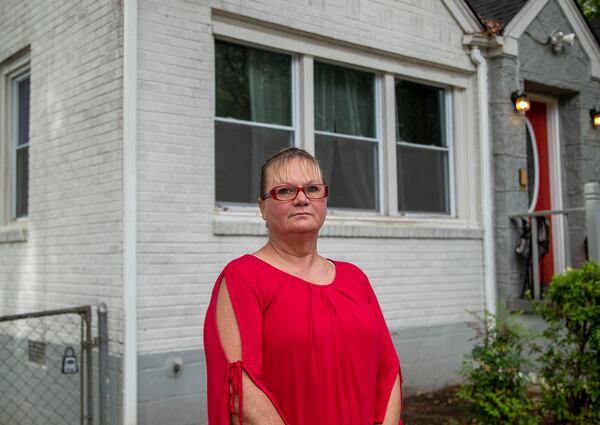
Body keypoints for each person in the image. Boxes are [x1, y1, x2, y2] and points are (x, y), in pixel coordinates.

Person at [204, 147, 403, 425]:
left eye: (312, 188)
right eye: (285, 191)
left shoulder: (355, 279)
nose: (301, 199)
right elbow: (240, 392)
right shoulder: (243, 278)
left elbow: (387, 370)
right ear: (263, 207)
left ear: (324, 199)